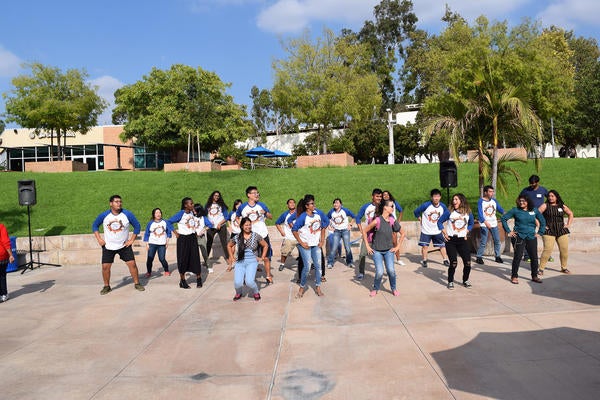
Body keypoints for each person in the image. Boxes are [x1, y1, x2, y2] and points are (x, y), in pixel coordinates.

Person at [92, 195, 145, 295]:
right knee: (105, 267)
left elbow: (137, 226)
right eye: (116, 201)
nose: (119, 203)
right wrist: (99, 239)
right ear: (111, 203)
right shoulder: (104, 215)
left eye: (120, 201)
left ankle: (137, 283)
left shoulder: (127, 214)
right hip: (108, 246)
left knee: (132, 265)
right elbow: (94, 225)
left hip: (124, 246)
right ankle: (107, 286)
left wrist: (131, 240)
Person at [501, 195, 546, 284]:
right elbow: (504, 218)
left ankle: (534, 276)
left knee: (534, 257)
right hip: (519, 237)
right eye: (520, 201)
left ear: (528, 201)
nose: (521, 203)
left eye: (524, 201)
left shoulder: (534, 210)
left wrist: (540, 232)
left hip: (531, 236)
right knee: (518, 257)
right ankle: (514, 276)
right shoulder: (515, 210)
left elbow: (543, 221)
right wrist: (508, 231)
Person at [292, 194, 329, 297]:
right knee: (307, 267)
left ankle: (318, 287)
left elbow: (322, 228)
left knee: (319, 267)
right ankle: (302, 287)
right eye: (311, 204)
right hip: (305, 246)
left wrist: (322, 240)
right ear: (307, 206)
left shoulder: (317, 215)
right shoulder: (303, 217)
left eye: (314, 203)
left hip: (316, 245)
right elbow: (294, 230)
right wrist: (301, 242)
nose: (314, 205)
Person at [361, 200, 401, 297]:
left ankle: (393, 288)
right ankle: (375, 288)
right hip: (377, 251)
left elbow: (403, 233)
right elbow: (364, 231)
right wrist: (367, 246)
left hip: (389, 251)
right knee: (379, 272)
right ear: (385, 208)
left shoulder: (392, 220)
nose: (393, 208)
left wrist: (397, 246)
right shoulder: (377, 220)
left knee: (391, 271)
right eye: (391, 206)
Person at [236, 186, 273, 284]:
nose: (256, 194)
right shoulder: (242, 207)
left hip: (262, 234)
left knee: (266, 257)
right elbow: (237, 217)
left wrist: (265, 213)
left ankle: (268, 275)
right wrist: (242, 226)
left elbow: (270, 216)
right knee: (246, 257)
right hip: (249, 236)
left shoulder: (261, 205)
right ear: (248, 195)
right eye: (254, 193)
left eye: (257, 193)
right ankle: (245, 277)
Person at [438, 194, 475, 290]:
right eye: (453, 199)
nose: (454, 201)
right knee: (453, 262)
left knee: (467, 262)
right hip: (451, 241)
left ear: (461, 201)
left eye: (456, 199)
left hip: (462, 240)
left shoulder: (468, 212)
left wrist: (468, 230)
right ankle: (450, 281)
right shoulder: (449, 212)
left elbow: (471, 223)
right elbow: (439, 222)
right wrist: (444, 232)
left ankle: (465, 280)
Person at [227, 217, 268, 301]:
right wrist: (231, 256)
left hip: (252, 261)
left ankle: (256, 292)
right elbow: (229, 245)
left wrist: (262, 257)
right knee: (237, 283)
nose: (248, 227)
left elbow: (265, 245)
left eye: (249, 225)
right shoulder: (237, 237)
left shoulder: (255, 236)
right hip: (240, 261)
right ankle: (238, 293)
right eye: (246, 225)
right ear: (242, 226)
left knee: (249, 281)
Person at [167, 197, 203, 289]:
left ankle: (199, 279)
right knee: (183, 260)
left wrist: (195, 232)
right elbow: (168, 222)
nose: (192, 205)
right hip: (183, 239)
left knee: (195, 258)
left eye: (192, 203)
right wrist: (175, 233)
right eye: (191, 204)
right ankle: (182, 281)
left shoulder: (192, 212)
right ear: (185, 205)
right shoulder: (180, 214)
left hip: (192, 238)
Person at [538, 190, 574, 276]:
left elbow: (570, 214)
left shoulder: (562, 206)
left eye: (552, 196)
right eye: (549, 196)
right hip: (548, 230)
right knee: (548, 250)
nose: (550, 198)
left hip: (561, 230)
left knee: (564, 250)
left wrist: (568, 224)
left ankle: (564, 268)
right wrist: (541, 225)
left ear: (556, 197)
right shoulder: (545, 205)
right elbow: (536, 215)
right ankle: (541, 269)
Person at [413, 189, 450, 268]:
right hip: (426, 230)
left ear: (440, 197)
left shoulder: (443, 206)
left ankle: (445, 259)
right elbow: (416, 211)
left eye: (438, 196)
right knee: (425, 246)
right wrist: (420, 219)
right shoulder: (426, 205)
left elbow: (447, 214)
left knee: (442, 245)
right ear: (431, 197)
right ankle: (425, 260)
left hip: (437, 230)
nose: (436, 198)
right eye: (434, 196)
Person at [519, 175, 549, 262]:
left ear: (537, 182)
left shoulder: (543, 190)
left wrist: (545, 206)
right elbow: (519, 199)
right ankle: (527, 255)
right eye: (530, 183)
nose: (532, 185)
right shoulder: (526, 190)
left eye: (533, 183)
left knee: (545, 233)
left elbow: (550, 198)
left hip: (540, 214)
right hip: (529, 214)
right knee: (528, 233)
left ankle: (547, 254)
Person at [355, 188, 383, 279]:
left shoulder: (383, 207)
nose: (379, 198)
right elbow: (358, 218)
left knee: (381, 254)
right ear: (372, 196)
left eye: (380, 196)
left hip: (380, 235)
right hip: (368, 235)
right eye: (377, 196)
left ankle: (381, 272)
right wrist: (362, 231)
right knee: (362, 254)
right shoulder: (366, 207)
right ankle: (361, 272)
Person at [475, 185, 505, 265]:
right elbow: (480, 214)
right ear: (485, 192)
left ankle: (498, 256)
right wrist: (485, 222)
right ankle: (479, 257)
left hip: (494, 223)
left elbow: (500, 209)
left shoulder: (494, 201)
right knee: (483, 241)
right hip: (485, 224)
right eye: (490, 191)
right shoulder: (481, 201)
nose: (492, 193)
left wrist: (505, 213)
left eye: (492, 191)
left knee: (497, 240)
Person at [143, 208, 174, 277]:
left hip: (162, 244)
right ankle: (149, 272)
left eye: (159, 213)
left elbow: (169, 233)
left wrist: (167, 242)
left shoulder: (165, 222)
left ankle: (166, 270)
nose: (158, 214)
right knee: (150, 259)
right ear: (154, 214)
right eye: (156, 213)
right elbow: (147, 234)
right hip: (152, 244)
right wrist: (147, 244)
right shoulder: (150, 223)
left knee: (162, 258)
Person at [326, 198, 355, 269]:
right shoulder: (331, 212)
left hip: (345, 231)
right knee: (334, 247)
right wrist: (329, 227)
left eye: (337, 203)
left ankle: (350, 262)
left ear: (341, 204)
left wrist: (350, 224)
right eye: (334, 203)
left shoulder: (345, 210)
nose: (335, 204)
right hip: (336, 232)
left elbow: (354, 216)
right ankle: (330, 262)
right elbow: (326, 219)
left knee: (347, 247)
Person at [383, 190, 406, 265]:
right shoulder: (381, 204)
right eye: (384, 195)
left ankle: (398, 259)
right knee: (384, 242)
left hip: (393, 223)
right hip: (384, 223)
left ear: (389, 195)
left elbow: (401, 210)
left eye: (387, 195)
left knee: (394, 242)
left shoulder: (394, 202)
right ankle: (384, 258)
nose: (386, 196)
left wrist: (398, 221)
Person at [205, 191, 229, 261]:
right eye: (215, 195)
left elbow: (226, 217)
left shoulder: (222, 205)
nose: (217, 197)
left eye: (218, 196)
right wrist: (208, 223)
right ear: (212, 196)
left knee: (224, 242)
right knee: (209, 243)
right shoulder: (207, 205)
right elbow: (203, 215)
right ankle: (206, 259)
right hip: (211, 227)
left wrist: (220, 223)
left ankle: (227, 258)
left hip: (221, 226)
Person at [275, 198, 298, 271]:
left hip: (300, 237)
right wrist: (281, 232)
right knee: (285, 252)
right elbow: (277, 223)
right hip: (289, 237)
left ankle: (311, 263)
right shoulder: (285, 214)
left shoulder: (300, 213)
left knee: (306, 251)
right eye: (290, 203)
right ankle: (282, 264)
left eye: (293, 203)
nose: (292, 204)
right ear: (287, 205)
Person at [194, 203, 214, 273]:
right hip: (193, 238)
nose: (193, 211)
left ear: (198, 210)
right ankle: (193, 268)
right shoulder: (191, 217)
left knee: (205, 253)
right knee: (193, 254)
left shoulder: (203, 218)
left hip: (201, 238)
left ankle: (209, 266)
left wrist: (203, 230)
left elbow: (210, 225)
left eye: (194, 210)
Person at [0, 222, 15, 303]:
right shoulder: (1, 226)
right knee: (2, 275)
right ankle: (4, 294)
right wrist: (11, 255)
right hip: (1, 256)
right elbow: (5, 241)